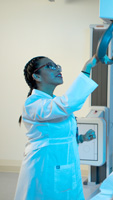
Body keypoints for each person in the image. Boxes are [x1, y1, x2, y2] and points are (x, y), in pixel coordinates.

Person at [15, 55, 99, 200]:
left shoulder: (53, 102)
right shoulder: (32, 104)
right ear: (36, 76)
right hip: (45, 166)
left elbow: (59, 136)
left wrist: (81, 138)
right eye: (49, 66)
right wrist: (87, 69)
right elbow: (66, 105)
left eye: (57, 65)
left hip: (64, 165)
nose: (57, 69)